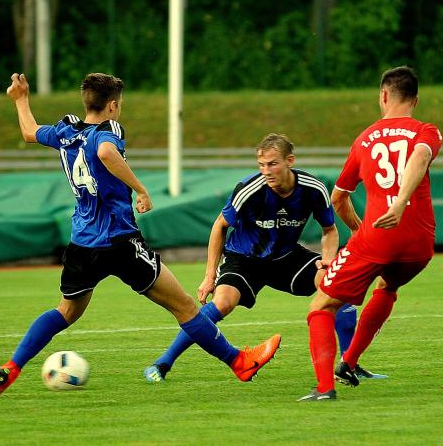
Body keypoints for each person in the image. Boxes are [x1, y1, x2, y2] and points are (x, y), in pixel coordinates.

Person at [0, 73, 281, 398]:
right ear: (112, 105)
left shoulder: (66, 131)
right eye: (119, 104)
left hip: (82, 244)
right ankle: (239, 362)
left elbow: (28, 131)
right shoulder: (109, 130)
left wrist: (21, 99)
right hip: (120, 241)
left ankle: (13, 366)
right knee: (185, 307)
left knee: (65, 312)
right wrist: (141, 189)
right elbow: (108, 153)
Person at [143, 133, 385, 382]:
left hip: (285, 256)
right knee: (223, 302)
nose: (266, 171)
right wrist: (209, 277)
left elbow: (330, 230)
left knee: (337, 284)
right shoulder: (250, 189)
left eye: (272, 163)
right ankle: (163, 363)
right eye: (261, 165)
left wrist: (327, 258)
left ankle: (349, 364)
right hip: (243, 258)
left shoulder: (313, 189)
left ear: (289, 160)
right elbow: (219, 226)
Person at [298, 66, 442, 401]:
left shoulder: (365, 139)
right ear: (415, 100)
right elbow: (420, 155)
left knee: (320, 307)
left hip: (379, 236)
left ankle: (324, 389)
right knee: (387, 285)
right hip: (420, 243)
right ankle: (348, 362)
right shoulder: (427, 130)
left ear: (383, 95)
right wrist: (404, 201)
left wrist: (361, 230)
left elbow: (338, 198)